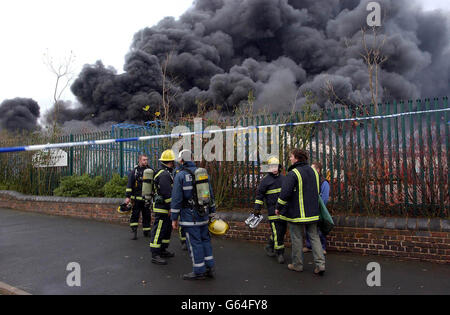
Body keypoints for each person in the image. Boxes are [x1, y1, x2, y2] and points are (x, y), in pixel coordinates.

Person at [275, 149, 326, 275]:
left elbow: (285, 193)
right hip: (313, 212)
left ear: (297, 158)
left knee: (297, 238)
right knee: (314, 237)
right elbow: (318, 190)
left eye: (291, 156)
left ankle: (297, 265)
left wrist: (278, 207)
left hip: (296, 214)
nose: (290, 159)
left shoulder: (293, 173)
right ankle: (320, 265)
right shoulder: (314, 171)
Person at [171, 149, 217, 280]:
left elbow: (176, 199)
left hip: (189, 217)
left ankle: (199, 271)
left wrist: (174, 218)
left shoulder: (180, 175)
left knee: (194, 243)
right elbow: (210, 194)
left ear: (181, 160)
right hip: (203, 214)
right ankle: (210, 267)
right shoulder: (202, 173)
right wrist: (212, 212)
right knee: (205, 240)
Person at [254, 157, 286, 264]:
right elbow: (259, 196)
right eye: (272, 166)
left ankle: (269, 246)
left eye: (276, 166)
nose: (274, 168)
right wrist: (257, 208)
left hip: (284, 211)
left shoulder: (284, 179)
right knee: (277, 232)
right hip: (272, 211)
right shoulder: (265, 181)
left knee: (281, 231)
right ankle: (279, 253)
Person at [150, 149, 176, 265]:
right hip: (162, 207)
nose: (174, 163)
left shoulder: (166, 173)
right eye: (173, 161)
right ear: (170, 162)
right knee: (159, 229)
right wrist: (171, 207)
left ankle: (162, 250)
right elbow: (167, 193)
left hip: (165, 207)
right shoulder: (164, 175)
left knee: (166, 229)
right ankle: (155, 254)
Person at [304, 162, 330, 255]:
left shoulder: (324, 182)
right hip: (309, 208)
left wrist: (317, 207)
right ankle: (309, 246)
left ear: (318, 170)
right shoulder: (310, 180)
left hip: (318, 209)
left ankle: (322, 248)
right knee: (308, 228)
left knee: (319, 229)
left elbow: (325, 198)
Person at [125, 154, 153, 240]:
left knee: (147, 215)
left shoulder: (150, 171)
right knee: (135, 215)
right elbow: (129, 185)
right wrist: (127, 197)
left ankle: (147, 231)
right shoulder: (134, 171)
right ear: (139, 160)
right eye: (144, 160)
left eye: (146, 160)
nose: (146, 161)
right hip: (136, 199)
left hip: (146, 199)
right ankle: (134, 231)